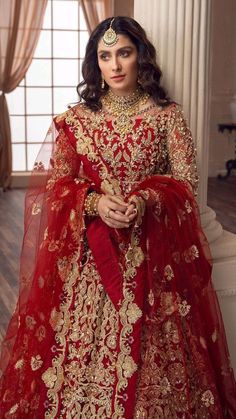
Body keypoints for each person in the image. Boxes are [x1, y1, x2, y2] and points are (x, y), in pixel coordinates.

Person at [0, 16, 236, 419]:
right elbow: (56, 188)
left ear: (139, 56)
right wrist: (94, 204)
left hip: (152, 253)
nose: (115, 65)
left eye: (123, 53)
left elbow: (186, 185)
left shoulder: (166, 116)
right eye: (105, 56)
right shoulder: (76, 120)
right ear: (96, 63)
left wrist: (144, 199)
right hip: (92, 255)